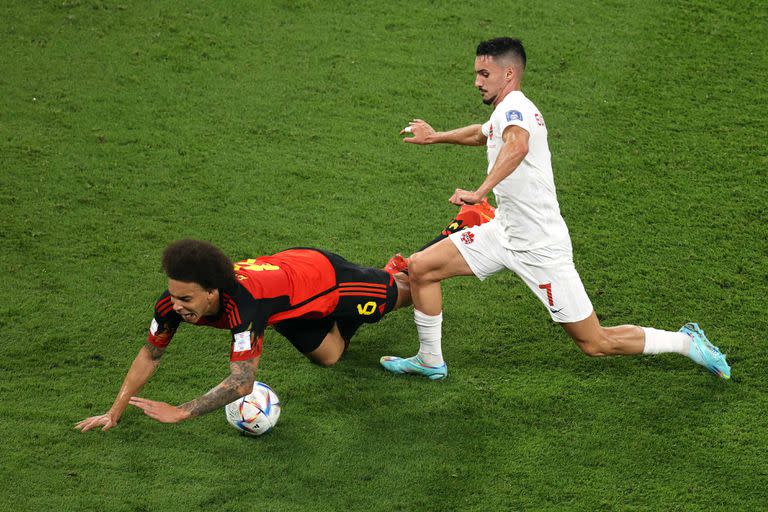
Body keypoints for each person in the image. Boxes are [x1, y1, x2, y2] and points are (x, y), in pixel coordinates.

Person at [380, 37, 731, 381]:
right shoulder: (504, 111)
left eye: (484, 74)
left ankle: (686, 342)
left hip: (540, 246)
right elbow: (482, 133)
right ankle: (430, 361)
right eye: (476, 73)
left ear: (509, 73)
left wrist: (479, 192)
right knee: (421, 267)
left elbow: (517, 147)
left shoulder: (517, 110)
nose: (476, 82)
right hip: (503, 232)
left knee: (595, 342)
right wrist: (435, 136)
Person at [75, 240, 412, 432]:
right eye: (173, 295)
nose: (175, 306)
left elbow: (242, 383)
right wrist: (114, 411)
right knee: (329, 356)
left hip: (325, 279)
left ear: (212, 292)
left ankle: (398, 272)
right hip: (285, 305)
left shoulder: (244, 308)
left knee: (404, 292)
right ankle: (350, 317)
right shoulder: (171, 304)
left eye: (186, 299)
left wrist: (181, 411)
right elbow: (150, 354)